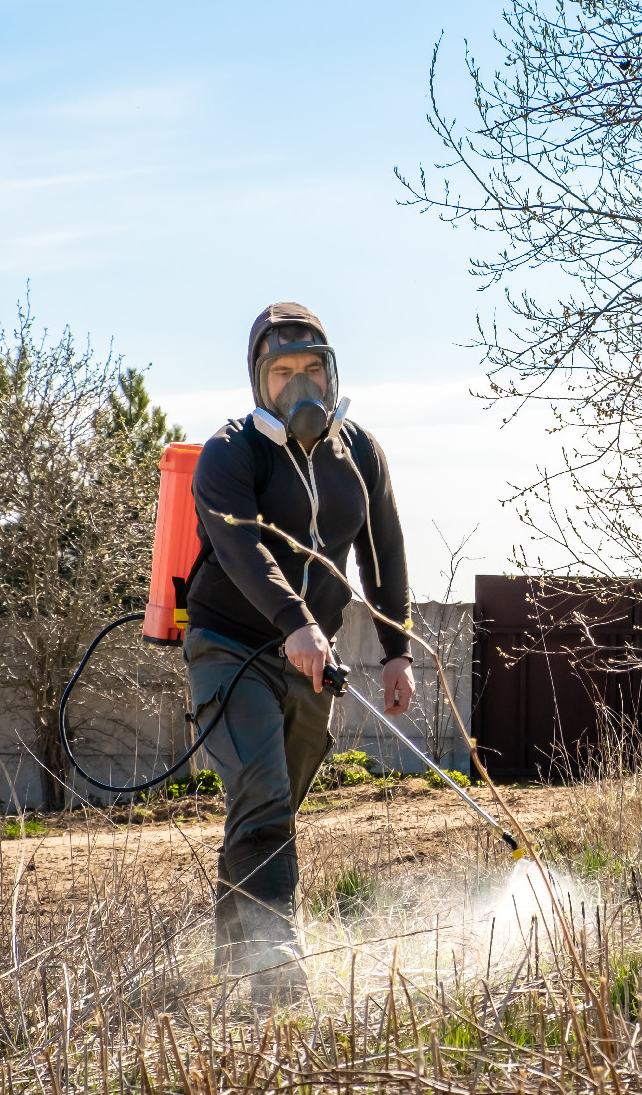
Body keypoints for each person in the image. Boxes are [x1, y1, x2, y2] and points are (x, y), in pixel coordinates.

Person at [183, 302, 414, 1006]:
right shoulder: (230, 452)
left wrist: (396, 650)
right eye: (281, 371)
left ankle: (236, 965)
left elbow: (384, 553)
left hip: (310, 657)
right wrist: (294, 619)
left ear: (331, 369)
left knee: (273, 808)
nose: (299, 384)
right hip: (228, 644)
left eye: (311, 367)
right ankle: (276, 974)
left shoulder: (361, 453)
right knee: (263, 789)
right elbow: (240, 546)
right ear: (259, 381)